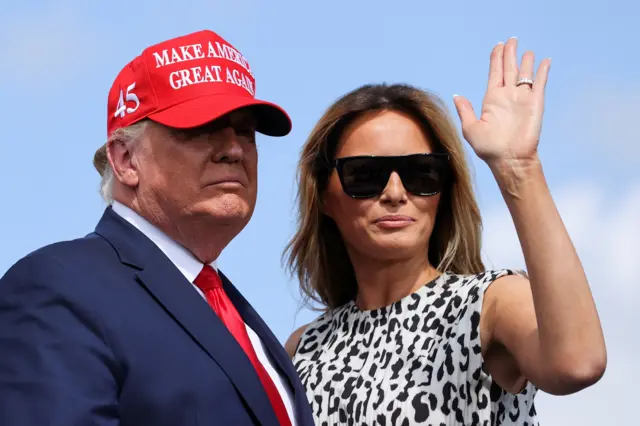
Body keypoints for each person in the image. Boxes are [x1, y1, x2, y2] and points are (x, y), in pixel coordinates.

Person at [283, 38, 606, 425]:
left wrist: (519, 169)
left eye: (421, 173)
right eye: (364, 176)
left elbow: (578, 363)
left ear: (444, 190)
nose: (395, 193)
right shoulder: (305, 349)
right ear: (323, 197)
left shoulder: (489, 304)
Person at [0, 29, 315, 426]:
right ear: (126, 159)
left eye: (246, 132)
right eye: (202, 128)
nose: (234, 149)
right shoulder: (57, 287)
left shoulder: (237, 315)